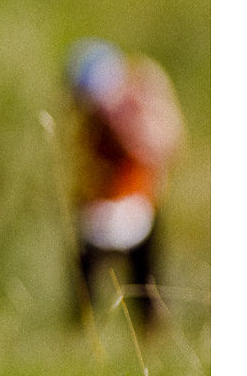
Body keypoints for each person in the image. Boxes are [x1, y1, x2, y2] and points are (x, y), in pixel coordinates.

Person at [65, 39, 183, 328]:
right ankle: (83, 328)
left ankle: (149, 330)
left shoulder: (137, 100)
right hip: (100, 206)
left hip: (135, 203)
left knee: (144, 279)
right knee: (88, 278)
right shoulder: (93, 118)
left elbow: (162, 145)